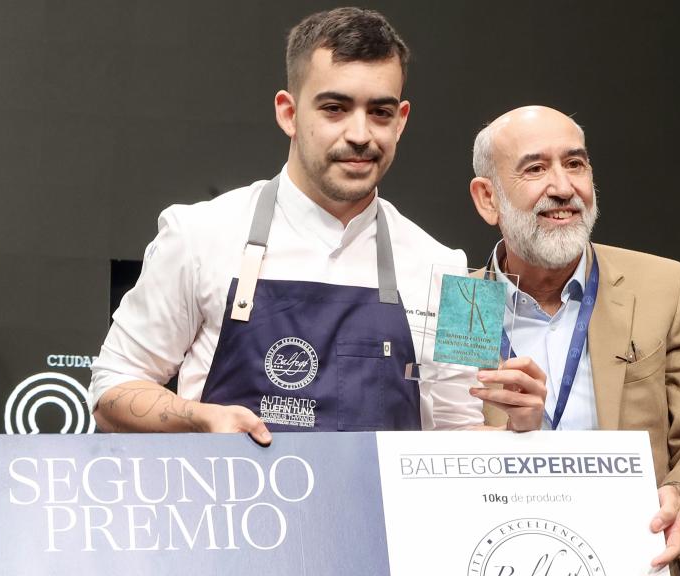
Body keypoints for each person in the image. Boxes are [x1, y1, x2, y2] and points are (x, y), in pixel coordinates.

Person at [89, 8, 525, 443]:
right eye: (335, 108)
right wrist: (198, 418)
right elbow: (110, 388)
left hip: (383, 513)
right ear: (288, 112)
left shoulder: (456, 275)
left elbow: (461, 432)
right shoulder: (192, 233)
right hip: (235, 505)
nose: (360, 134)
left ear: (402, 120)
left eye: (380, 112)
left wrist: (521, 430)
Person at [466, 105, 680, 575]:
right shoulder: (463, 301)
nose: (563, 187)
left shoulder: (664, 288)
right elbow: (437, 443)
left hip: (642, 560)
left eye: (575, 164)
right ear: (487, 198)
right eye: (535, 168)